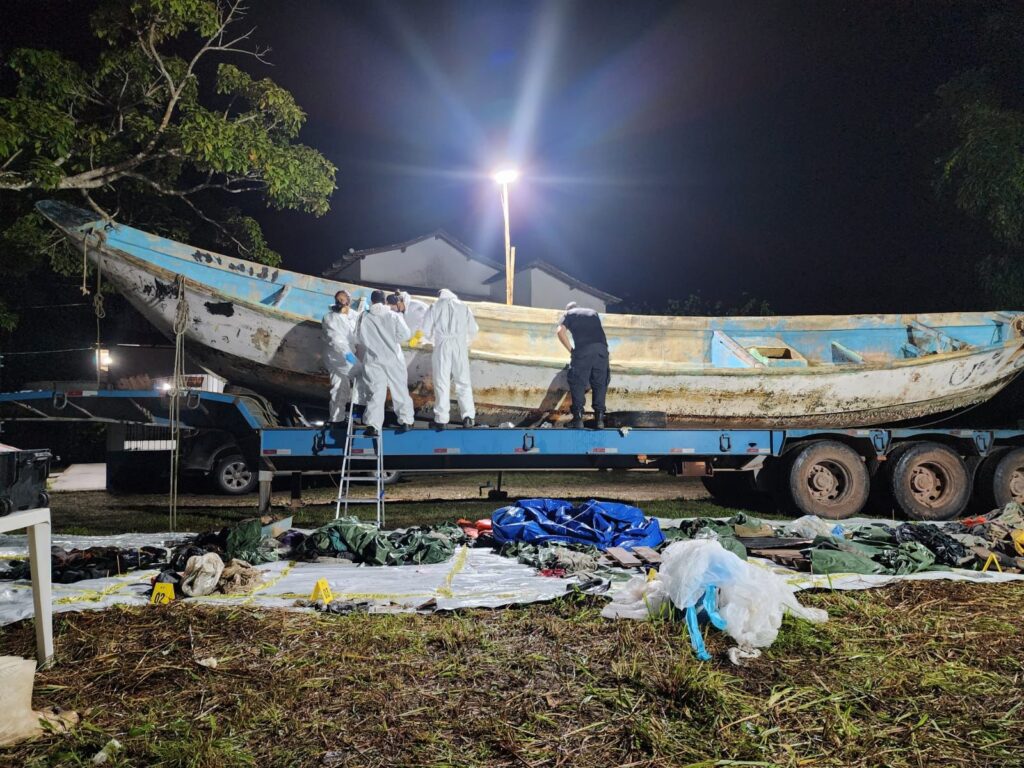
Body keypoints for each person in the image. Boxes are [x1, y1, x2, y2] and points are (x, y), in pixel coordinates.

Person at [355, 289, 415, 435]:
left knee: (375, 391)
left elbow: (357, 337)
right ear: (385, 301)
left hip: (373, 359)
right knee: (399, 389)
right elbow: (405, 335)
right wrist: (392, 339)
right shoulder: (393, 315)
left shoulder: (364, 316)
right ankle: (406, 421)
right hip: (393, 357)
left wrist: (372, 344)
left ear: (372, 301)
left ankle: (373, 426)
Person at [422, 288, 478, 429]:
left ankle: (441, 420)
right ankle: (468, 417)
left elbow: (425, 330)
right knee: (463, 382)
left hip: (442, 347)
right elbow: (473, 329)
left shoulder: (434, 306)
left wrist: (432, 339)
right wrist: (464, 342)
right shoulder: (463, 306)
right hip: (459, 347)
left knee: (442, 382)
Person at [556, 301, 610, 429]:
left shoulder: (568, 313)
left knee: (577, 382)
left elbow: (560, 331)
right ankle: (599, 420)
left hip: (583, 350)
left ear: (568, 309)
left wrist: (571, 350)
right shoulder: (593, 313)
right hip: (602, 351)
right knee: (599, 384)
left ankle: (578, 420)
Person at [321, 289, 361, 425]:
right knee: (358, 375)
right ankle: (341, 416)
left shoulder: (354, 316)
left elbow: (360, 333)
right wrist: (348, 355)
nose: (339, 302)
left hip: (348, 355)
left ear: (348, 301)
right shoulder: (330, 317)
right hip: (336, 356)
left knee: (341, 387)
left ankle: (338, 418)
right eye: (338, 299)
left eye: (342, 299)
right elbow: (335, 339)